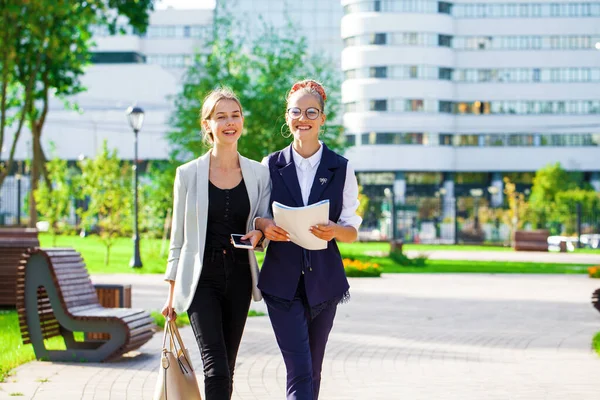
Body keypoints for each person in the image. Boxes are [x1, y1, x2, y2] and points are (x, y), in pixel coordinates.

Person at [161, 87, 271, 400]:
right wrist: (171, 293)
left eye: (235, 115)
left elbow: (262, 222)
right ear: (207, 125)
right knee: (216, 366)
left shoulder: (259, 174)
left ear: (242, 121)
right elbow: (178, 239)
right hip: (200, 280)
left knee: (228, 367)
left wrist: (259, 233)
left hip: (239, 277)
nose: (229, 122)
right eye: (220, 116)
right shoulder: (188, 174)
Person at [255, 79, 362, 399]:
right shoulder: (269, 165)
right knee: (299, 370)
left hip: (324, 284)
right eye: (296, 111)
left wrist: (334, 231)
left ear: (323, 118)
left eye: (311, 111)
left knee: (313, 369)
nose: (303, 118)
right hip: (280, 283)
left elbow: (352, 230)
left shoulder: (342, 168)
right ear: (287, 117)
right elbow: (258, 219)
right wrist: (265, 226)